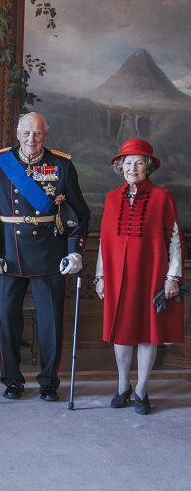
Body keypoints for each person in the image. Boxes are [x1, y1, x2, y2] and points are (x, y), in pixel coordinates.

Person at [0, 112, 90, 402]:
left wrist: (74, 251)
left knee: (51, 322)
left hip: (50, 254)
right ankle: (12, 380)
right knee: (8, 320)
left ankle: (49, 382)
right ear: (17, 134)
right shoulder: (1, 163)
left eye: (38, 133)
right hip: (10, 255)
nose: (32, 140)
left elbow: (79, 213)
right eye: (27, 133)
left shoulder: (62, 164)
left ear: (45, 135)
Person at [95, 139, 184, 415]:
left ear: (148, 167)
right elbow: (104, 241)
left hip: (151, 276)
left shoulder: (163, 196)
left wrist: (173, 276)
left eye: (139, 162)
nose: (133, 167)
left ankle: (142, 391)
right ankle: (123, 386)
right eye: (128, 162)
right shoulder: (111, 199)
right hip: (117, 277)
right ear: (120, 167)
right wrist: (100, 276)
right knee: (121, 332)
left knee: (148, 334)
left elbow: (174, 239)